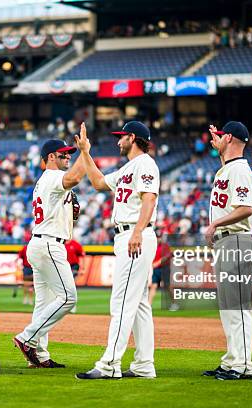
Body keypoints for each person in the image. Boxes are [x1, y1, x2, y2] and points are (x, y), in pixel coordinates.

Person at [76, 120, 160, 380]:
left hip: (136, 234)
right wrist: (85, 152)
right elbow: (99, 183)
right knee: (139, 305)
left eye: (121, 136)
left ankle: (109, 365)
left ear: (132, 137)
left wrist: (137, 232)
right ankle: (144, 365)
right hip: (129, 235)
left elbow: (149, 198)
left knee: (122, 300)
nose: (117, 140)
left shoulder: (145, 163)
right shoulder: (129, 167)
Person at [13, 126, 86, 369]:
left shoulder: (47, 181)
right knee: (68, 298)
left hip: (41, 242)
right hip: (48, 245)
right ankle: (27, 338)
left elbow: (69, 210)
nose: (68, 157)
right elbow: (75, 177)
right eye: (64, 154)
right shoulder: (53, 177)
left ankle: (40, 355)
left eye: (70, 154)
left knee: (43, 304)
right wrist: (85, 152)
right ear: (50, 157)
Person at [202, 121, 252, 381]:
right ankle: (232, 360)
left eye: (222, 136)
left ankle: (243, 365)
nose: (217, 139)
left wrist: (214, 223)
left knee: (237, 306)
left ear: (230, 137)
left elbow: (246, 209)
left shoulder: (240, 170)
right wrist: (221, 149)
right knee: (227, 307)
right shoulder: (229, 168)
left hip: (236, 239)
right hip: (227, 241)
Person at [148, 229, 172, 306]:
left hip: (164, 269)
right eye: (157, 237)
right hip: (156, 269)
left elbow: (167, 257)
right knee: (153, 286)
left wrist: (157, 263)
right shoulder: (152, 246)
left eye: (159, 237)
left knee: (167, 287)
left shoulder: (165, 246)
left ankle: (174, 303)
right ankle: (149, 305)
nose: (158, 239)